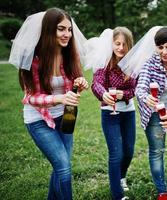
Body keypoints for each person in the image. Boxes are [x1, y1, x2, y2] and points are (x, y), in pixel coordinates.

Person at [9, 7, 89, 200]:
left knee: (61, 165)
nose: (67, 34)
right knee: (63, 167)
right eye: (61, 29)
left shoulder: (69, 55)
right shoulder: (34, 59)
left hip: (67, 116)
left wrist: (80, 83)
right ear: (49, 30)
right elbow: (31, 97)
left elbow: (74, 82)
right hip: (38, 120)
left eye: (69, 29)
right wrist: (58, 98)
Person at [132, 27, 167, 200]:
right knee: (157, 151)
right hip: (155, 114)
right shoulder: (150, 64)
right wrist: (146, 96)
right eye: (160, 47)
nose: (164, 52)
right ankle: (162, 191)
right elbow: (140, 87)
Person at [90, 27, 136, 200]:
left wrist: (123, 94)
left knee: (129, 151)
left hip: (128, 112)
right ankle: (117, 194)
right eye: (117, 43)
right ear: (112, 44)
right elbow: (96, 83)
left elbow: (136, 88)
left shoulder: (133, 63)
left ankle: (121, 177)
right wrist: (104, 94)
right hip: (109, 113)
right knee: (116, 153)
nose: (121, 48)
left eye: (125, 44)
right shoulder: (105, 62)